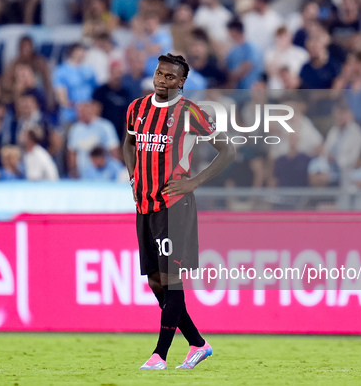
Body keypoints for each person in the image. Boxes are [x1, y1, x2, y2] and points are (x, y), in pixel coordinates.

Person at [123, 53, 235, 370]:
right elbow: (128, 144)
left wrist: (194, 182)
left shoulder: (190, 113)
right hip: (144, 205)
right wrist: (133, 176)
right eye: (159, 73)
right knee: (156, 282)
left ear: (181, 82)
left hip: (174, 206)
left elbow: (228, 150)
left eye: (170, 77)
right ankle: (198, 344)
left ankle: (159, 355)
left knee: (172, 281)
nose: (161, 79)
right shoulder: (137, 108)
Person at [67, 101, 120, 178]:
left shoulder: (105, 126)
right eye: (79, 111)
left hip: (104, 175)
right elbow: (72, 153)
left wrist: (116, 171)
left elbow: (114, 150)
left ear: (91, 110)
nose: (82, 113)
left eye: (84, 110)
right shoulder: (75, 129)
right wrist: (73, 171)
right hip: (83, 175)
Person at [53, 43, 97, 126]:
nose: (82, 53)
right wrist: (77, 107)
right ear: (72, 52)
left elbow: (96, 93)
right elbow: (61, 98)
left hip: (88, 118)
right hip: (69, 117)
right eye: (80, 50)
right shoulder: (61, 71)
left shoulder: (90, 70)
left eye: (84, 50)